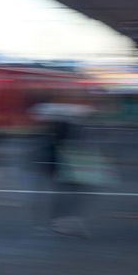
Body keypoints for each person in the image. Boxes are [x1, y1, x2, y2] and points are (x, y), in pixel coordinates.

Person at [31, 93, 94, 235]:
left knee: (64, 192)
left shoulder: (54, 126)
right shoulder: (66, 125)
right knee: (67, 192)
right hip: (64, 163)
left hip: (59, 163)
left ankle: (60, 220)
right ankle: (60, 220)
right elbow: (72, 145)